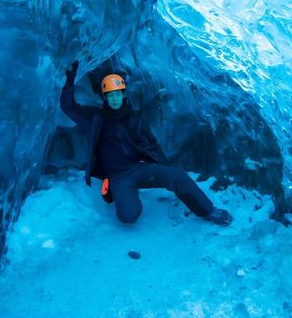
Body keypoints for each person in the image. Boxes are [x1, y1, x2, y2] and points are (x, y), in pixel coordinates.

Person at [60, 61, 232, 226]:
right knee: (129, 217)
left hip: (140, 169)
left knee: (178, 176)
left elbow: (151, 144)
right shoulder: (95, 119)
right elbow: (68, 107)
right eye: (110, 95)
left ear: (123, 94)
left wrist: (165, 169)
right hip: (118, 177)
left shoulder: (134, 118)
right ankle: (117, 191)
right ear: (105, 97)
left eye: (117, 94)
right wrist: (70, 80)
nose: (114, 99)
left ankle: (209, 211)